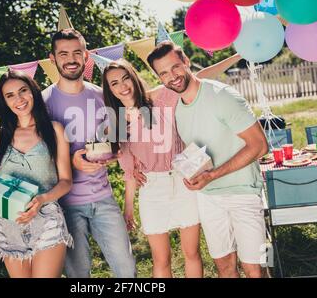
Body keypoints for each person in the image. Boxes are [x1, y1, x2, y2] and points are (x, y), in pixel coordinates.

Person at [101, 55, 241, 278]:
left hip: (183, 180)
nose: (122, 86)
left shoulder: (159, 98)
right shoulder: (117, 123)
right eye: (114, 83)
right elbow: (129, 172)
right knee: (161, 259)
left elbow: (199, 78)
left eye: (125, 78)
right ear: (109, 90)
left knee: (192, 252)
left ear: (134, 78)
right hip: (152, 189)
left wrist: (238, 55)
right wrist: (128, 209)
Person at [147, 41, 269, 278]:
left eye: (175, 67)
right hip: (208, 198)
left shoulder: (221, 96)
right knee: (224, 267)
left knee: (255, 269)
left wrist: (212, 175)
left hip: (244, 193)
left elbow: (259, 145)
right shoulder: (178, 109)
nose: (171, 76)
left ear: (186, 62)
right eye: (163, 73)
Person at [42, 29, 136, 278]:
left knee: (127, 271)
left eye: (76, 52)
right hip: (65, 205)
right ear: (52, 58)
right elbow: (37, 157)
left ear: (86, 56)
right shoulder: (42, 103)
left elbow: (120, 138)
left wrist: (118, 153)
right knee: (78, 274)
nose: (71, 59)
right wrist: (72, 163)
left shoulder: (103, 95)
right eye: (63, 53)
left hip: (104, 198)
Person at [0, 70, 73, 278]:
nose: (19, 99)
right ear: (4, 102)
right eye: (10, 95)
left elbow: (66, 181)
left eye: (23, 91)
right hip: (8, 223)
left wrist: (42, 199)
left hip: (47, 218)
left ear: (33, 91)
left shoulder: (54, 129)